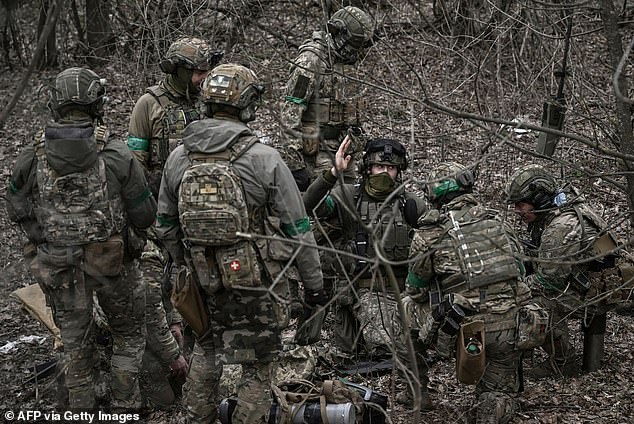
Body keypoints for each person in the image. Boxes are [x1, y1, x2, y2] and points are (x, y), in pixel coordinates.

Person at [156, 63, 327, 424]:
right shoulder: (263, 159)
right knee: (258, 366)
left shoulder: (178, 158)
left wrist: (184, 264)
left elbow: (165, 224)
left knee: (206, 350)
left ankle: (196, 418)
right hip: (256, 283)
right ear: (248, 104)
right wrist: (314, 287)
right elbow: (299, 229)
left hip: (202, 279)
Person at [6, 67, 157, 409]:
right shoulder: (117, 155)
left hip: (60, 267)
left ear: (55, 105)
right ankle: (125, 407)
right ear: (96, 104)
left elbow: (15, 205)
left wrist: (44, 237)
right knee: (129, 336)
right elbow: (145, 214)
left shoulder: (32, 157)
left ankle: (82, 409)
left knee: (75, 343)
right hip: (113, 264)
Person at [127, 36, 222, 407]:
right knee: (159, 295)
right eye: (198, 71)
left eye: (206, 70)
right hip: (158, 217)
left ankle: (200, 371)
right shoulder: (148, 105)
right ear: (180, 71)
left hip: (201, 217)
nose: (204, 77)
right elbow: (134, 169)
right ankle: (168, 369)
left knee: (202, 295)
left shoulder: (212, 103)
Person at [402, 162, 531, 421]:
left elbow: (415, 291)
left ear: (434, 195)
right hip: (511, 325)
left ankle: (416, 390)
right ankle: (493, 407)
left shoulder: (429, 234)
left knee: (404, 307)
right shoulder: (498, 222)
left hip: (462, 327)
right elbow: (520, 270)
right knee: (497, 394)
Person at [303, 136, 427, 359]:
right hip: (360, 291)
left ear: (399, 171)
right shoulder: (349, 196)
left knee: (401, 349)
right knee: (355, 349)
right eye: (379, 166)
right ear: (368, 168)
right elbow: (307, 207)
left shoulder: (410, 203)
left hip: (402, 293)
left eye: (390, 168)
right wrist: (332, 174)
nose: (384, 173)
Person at [505, 164, 622, 378]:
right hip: (594, 282)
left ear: (538, 199)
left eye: (521, 204)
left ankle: (562, 362)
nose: (517, 210)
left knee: (532, 300)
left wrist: (514, 285)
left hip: (595, 293)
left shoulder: (560, 227)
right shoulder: (562, 204)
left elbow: (549, 281)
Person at [279, 5, 376, 190]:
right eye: (354, 44)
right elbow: (289, 111)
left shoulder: (345, 62)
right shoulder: (311, 61)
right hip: (315, 155)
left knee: (349, 201)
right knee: (325, 206)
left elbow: (350, 110)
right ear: (339, 35)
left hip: (342, 151)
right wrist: (294, 164)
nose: (357, 51)